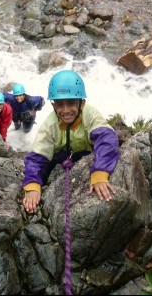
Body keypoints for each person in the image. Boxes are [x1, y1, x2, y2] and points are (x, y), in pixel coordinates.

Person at [21, 70, 120, 213]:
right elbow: (37, 158)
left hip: (86, 152)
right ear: (53, 106)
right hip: (61, 155)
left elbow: (107, 139)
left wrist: (100, 172)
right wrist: (32, 186)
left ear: (82, 103)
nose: (66, 110)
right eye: (60, 104)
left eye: (71, 103)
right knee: (43, 165)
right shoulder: (49, 126)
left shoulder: (90, 114)